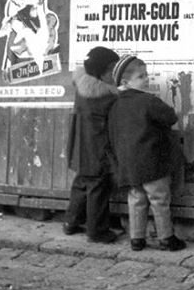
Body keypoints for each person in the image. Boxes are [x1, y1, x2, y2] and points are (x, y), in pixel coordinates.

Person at [108, 54, 186, 252]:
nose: (147, 79)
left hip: (128, 163)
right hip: (152, 162)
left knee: (136, 199)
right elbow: (170, 117)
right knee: (159, 199)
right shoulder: (148, 101)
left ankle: (137, 239)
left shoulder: (115, 104)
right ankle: (166, 237)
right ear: (126, 82)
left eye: (146, 75)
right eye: (141, 76)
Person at [63, 46, 120, 243]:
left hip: (79, 146)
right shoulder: (106, 96)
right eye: (112, 69)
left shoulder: (82, 86)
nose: (115, 74)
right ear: (100, 72)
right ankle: (97, 231)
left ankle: (71, 222)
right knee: (99, 186)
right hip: (96, 148)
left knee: (81, 182)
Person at [0, 0, 50, 75]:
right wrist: (23, 25)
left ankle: (39, 66)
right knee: (16, 38)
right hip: (19, 29)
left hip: (37, 30)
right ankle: (11, 69)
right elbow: (11, 16)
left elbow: (42, 14)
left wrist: (39, 29)